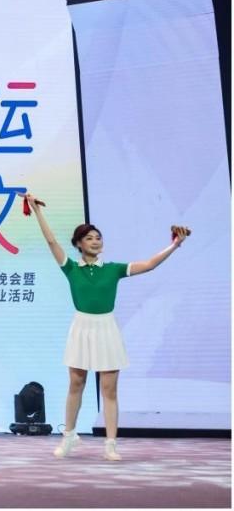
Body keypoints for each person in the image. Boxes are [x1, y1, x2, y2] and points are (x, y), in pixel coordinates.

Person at [23, 192, 191, 461]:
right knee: (76, 384)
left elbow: (149, 265)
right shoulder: (71, 268)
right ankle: (69, 436)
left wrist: (175, 245)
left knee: (109, 390)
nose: (96, 241)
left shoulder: (113, 269)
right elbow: (51, 241)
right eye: (89, 238)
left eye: (98, 237)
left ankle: (111, 444)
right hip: (81, 327)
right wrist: (36, 210)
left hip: (106, 328)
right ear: (79, 244)